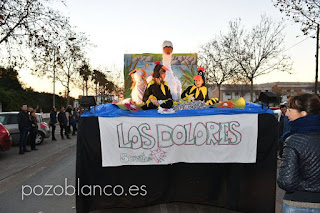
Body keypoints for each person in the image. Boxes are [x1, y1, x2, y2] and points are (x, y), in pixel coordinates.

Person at [277, 93, 320, 213]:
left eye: (290, 110)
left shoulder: (293, 140)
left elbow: (287, 182)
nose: (286, 113)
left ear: (304, 113)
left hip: (298, 203)